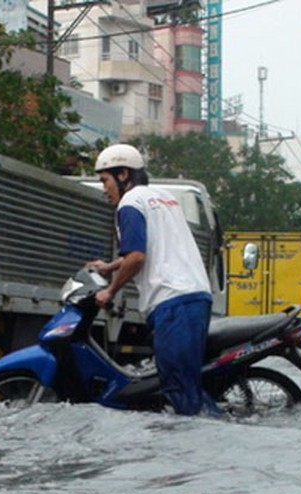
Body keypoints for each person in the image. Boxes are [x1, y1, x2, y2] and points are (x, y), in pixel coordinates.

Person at [86, 143, 220, 417]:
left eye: (105, 180)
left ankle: (197, 450)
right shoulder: (163, 197)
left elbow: (137, 257)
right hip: (194, 295)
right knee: (186, 384)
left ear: (123, 174)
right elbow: (153, 248)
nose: (104, 189)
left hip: (171, 302)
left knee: (179, 391)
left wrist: (109, 291)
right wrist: (110, 266)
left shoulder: (129, 204)